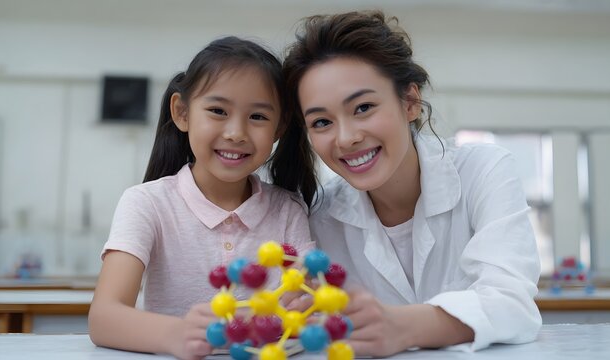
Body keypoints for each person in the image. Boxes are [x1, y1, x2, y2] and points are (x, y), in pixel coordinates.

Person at [282, 11, 542, 356]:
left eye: (363, 107)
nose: (345, 138)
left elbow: (513, 304)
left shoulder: (484, 171)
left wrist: (399, 327)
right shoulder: (320, 220)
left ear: (410, 102)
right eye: (321, 122)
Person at [89, 36, 316, 360]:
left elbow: (301, 308)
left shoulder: (289, 210)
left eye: (258, 117)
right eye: (217, 111)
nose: (236, 132)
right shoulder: (146, 203)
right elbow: (103, 319)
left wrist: (306, 308)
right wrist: (177, 335)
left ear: (279, 128)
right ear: (182, 113)